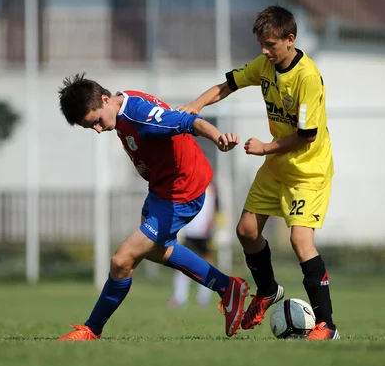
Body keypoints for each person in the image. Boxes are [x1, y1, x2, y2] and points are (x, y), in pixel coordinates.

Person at [179, 5, 339, 340]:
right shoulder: (265, 65)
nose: (264, 51)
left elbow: (307, 135)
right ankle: (268, 291)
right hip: (277, 166)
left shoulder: (306, 77)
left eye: (271, 45)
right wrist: (196, 106)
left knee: (299, 239)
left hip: (308, 170)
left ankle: (327, 325)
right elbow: (229, 84)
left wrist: (265, 147)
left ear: (290, 39)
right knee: (246, 230)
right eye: (262, 45)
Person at [56, 73, 249, 341]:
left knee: (122, 260)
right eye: (92, 127)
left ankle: (91, 329)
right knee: (158, 251)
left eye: (97, 121)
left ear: (104, 99)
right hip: (162, 190)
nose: (99, 130)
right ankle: (228, 287)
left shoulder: (139, 116)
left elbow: (189, 121)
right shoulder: (123, 101)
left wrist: (219, 138)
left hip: (181, 192)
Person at [169, 181, 219, 308]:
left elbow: (216, 209)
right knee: (181, 263)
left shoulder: (212, 187)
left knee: (206, 263)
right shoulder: (188, 185)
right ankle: (180, 298)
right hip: (189, 230)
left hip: (204, 232)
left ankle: (203, 298)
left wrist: (214, 227)